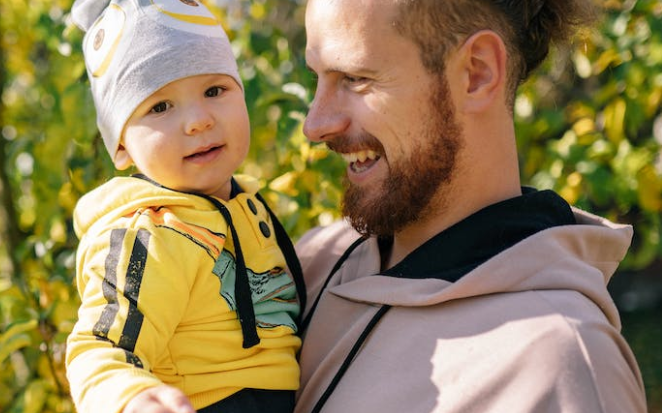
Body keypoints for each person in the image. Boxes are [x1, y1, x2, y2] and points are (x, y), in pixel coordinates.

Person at [294, 0, 647, 412]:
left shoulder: (561, 367)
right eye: (317, 77)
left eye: (355, 78)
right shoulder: (312, 263)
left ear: (477, 73)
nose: (315, 125)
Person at [65, 1, 305, 413]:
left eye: (215, 90)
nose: (198, 121)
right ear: (121, 145)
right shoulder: (153, 233)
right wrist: (131, 398)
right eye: (159, 106)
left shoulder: (247, 205)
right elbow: (99, 345)